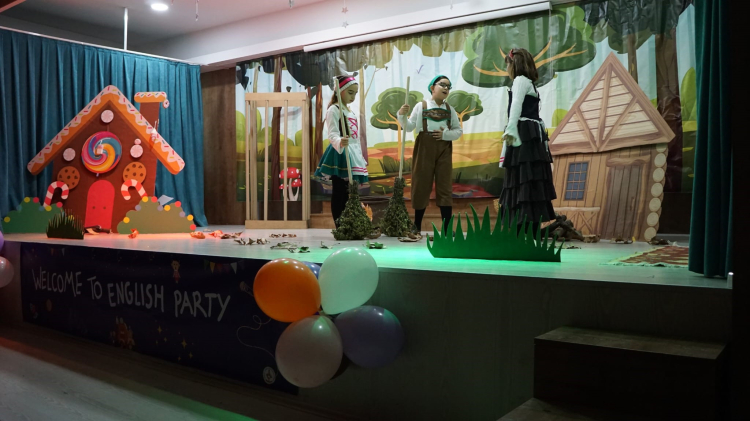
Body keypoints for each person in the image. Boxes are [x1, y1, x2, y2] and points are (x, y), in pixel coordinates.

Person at [498, 48, 557, 235]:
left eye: (508, 65)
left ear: (514, 64)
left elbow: (516, 104)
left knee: (522, 177)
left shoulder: (520, 81)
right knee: (529, 177)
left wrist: (511, 128)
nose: (507, 69)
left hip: (523, 132)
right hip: (531, 133)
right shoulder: (529, 83)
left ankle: (521, 228)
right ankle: (529, 228)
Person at [398, 75, 462, 236]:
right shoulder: (421, 106)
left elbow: (458, 131)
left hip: (444, 149)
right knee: (421, 184)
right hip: (424, 147)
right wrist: (401, 115)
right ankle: (417, 226)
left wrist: (445, 135)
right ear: (432, 87)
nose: (446, 88)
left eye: (448, 86)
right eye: (443, 85)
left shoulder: (450, 109)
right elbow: (409, 127)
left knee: (444, 186)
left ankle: (447, 228)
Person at [314, 75, 369, 228]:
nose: (353, 96)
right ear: (340, 91)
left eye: (355, 93)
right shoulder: (334, 109)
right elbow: (332, 134)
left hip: (352, 152)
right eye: (350, 92)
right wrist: (340, 141)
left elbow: (355, 138)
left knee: (348, 191)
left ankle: (348, 224)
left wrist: (359, 156)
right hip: (340, 154)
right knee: (339, 190)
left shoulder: (350, 111)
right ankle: (339, 225)